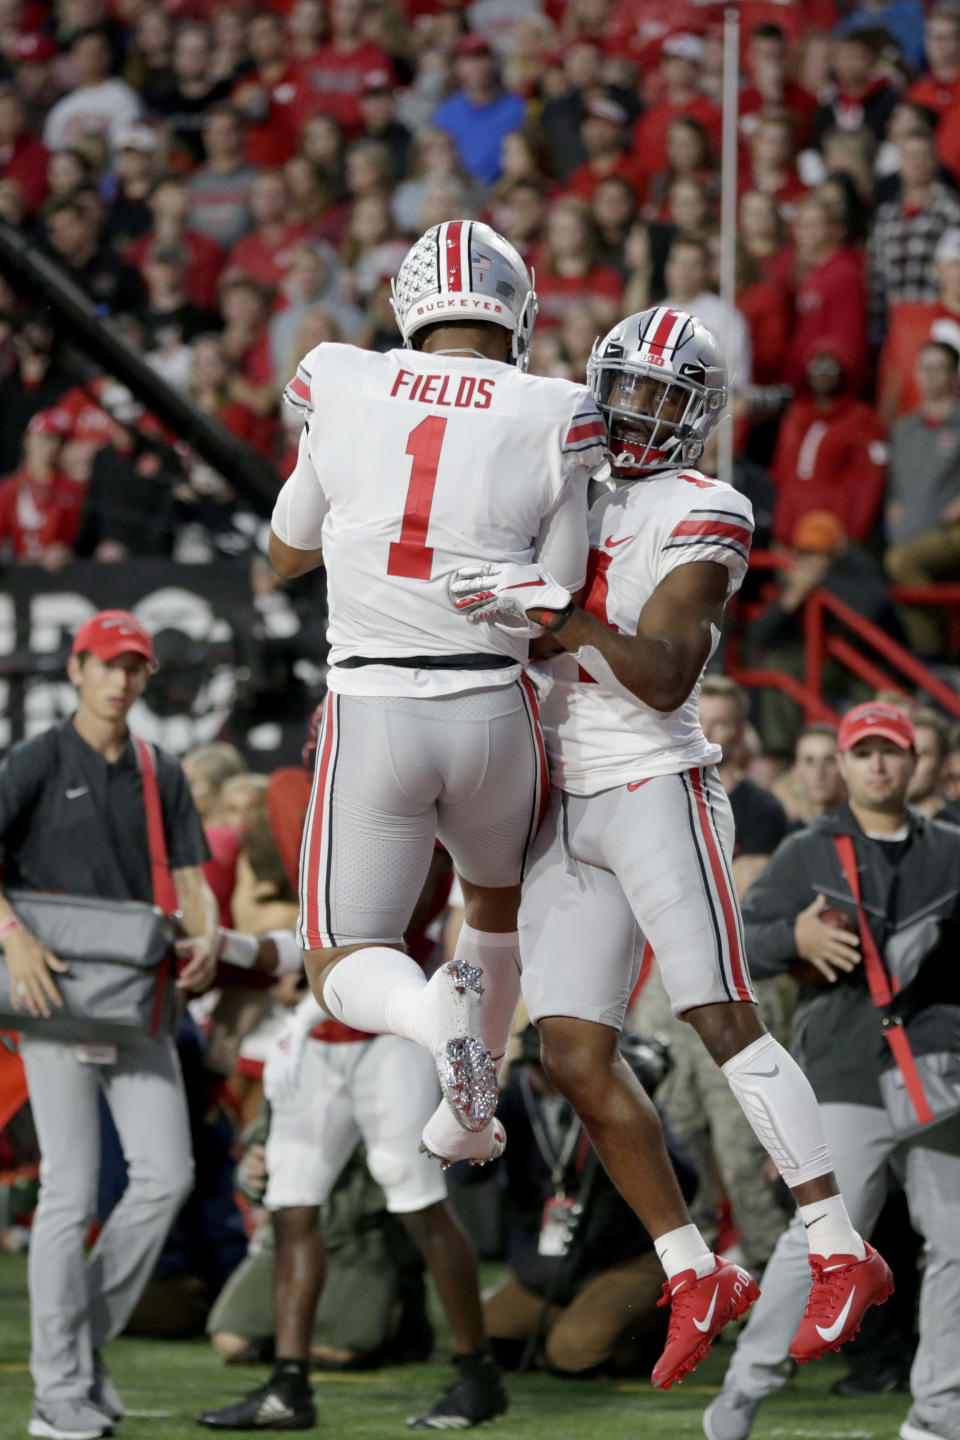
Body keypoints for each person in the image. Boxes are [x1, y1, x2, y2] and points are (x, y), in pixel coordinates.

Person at [450, 307, 891, 1391]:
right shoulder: (562, 481)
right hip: (561, 794)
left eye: (662, 395)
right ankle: (694, 1267)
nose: (639, 412)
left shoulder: (710, 504)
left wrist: (560, 613)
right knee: (571, 1056)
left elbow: (660, 675)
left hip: (655, 777)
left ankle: (839, 1241)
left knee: (714, 1009)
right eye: (627, 388)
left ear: (695, 411)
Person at [267, 217, 605, 1416]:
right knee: (491, 909)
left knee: (337, 961)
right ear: (514, 303)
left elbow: (283, 548)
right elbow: (556, 596)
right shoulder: (557, 406)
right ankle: (475, 1071)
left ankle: (432, 1030)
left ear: (409, 301)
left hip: (374, 701)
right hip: (493, 706)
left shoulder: (340, 377)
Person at [702, 701, 960, 1440]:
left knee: (956, 1244)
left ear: (918, 764)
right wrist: (796, 933)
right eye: (864, 752)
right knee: (823, 1236)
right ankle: (745, 1391)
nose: (878, 764)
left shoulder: (950, 847)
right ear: (843, 766)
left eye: (892, 751)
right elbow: (742, 943)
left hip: (940, 1069)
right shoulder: (808, 849)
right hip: (849, 1065)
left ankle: (938, 1417)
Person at [0, 610, 219, 1440]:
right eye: (109, 664)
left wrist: (204, 940)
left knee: (166, 1176)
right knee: (66, 1189)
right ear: (77, 669)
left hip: (138, 999)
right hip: (54, 995)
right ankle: (58, 1390)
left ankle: (77, 1352)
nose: (123, 679)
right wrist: (12, 936)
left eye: (136, 666)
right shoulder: (34, 758)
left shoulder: (160, 768)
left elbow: (193, 879)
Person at [633, 675, 792, 1277]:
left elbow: (734, 895)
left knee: (742, 1144)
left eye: (725, 722)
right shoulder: (665, 787)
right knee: (676, 1133)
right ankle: (701, 1276)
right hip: (668, 979)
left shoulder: (756, 805)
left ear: (743, 733)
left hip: (734, 978)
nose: (713, 731)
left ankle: (776, 1282)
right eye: (705, 717)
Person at [483, 1026, 698, 1377]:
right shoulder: (520, 1102)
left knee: (572, 1354)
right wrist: (490, 1100)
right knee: (491, 1332)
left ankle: (656, 1323)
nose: (543, 1075)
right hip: (557, 1261)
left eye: (552, 1064)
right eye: (534, 1064)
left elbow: (686, 1181)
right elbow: (469, 1176)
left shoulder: (610, 1097)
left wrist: (628, 1116)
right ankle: (575, 1318)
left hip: (624, 1257)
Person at [773, 724, 845, 827]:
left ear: (844, 766)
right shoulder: (779, 824)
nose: (819, 772)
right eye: (809, 761)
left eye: (829, 761)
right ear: (795, 769)